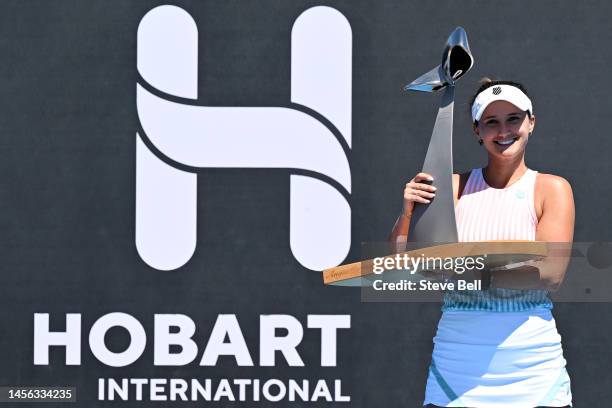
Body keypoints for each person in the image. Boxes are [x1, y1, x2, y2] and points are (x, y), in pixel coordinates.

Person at [389, 79, 575, 407]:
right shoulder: (451, 187)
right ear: (477, 130)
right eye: (491, 122)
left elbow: (550, 273)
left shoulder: (552, 188)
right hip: (457, 366)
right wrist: (406, 213)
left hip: (532, 369)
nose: (504, 130)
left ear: (531, 122)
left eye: (513, 118)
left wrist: (462, 271)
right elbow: (402, 265)